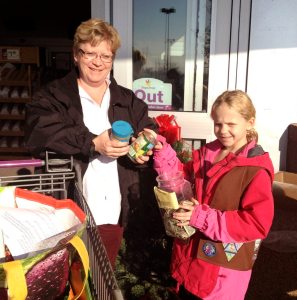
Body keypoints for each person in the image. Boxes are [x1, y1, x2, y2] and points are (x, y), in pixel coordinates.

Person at [24, 18, 157, 268]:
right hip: (69, 210)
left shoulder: (126, 100)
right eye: (90, 53)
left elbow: (148, 126)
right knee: (65, 275)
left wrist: (147, 140)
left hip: (113, 211)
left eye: (106, 56)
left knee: (99, 278)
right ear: (75, 54)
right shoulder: (53, 96)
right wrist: (93, 143)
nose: (98, 62)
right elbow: (38, 132)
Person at [151, 90, 274, 299]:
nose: (223, 130)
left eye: (231, 124)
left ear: (250, 122)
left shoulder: (256, 170)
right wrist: (163, 151)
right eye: (218, 124)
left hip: (222, 272)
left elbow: (257, 223)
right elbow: (181, 180)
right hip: (191, 259)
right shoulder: (208, 154)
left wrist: (200, 217)